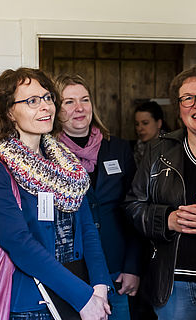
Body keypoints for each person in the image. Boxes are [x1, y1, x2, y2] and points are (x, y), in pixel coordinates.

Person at [0, 67, 113, 320]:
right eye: (32, 101)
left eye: (48, 98)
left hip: (83, 297)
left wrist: (100, 287)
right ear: (9, 111)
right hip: (33, 306)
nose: (45, 107)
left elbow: (87, 228)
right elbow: (20, 244)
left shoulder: (67, 165)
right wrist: (83, 298)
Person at [124, 64, 196, 320]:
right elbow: (133, 206)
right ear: (179, 109)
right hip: (173, 287)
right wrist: (167, 219)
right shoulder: (157, 151)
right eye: (188, 98)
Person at [55, 74, 141, 320]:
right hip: (70, 275)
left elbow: (134, 210)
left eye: (85, 99)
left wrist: (132, 266)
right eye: (69, 102)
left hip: (116, 271)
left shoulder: (118, 148)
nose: (79, 108)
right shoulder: (48, 155)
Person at [133, 101, 168, 166]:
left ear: (159, 123)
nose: (139, 128)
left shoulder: (171, 147)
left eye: (145, 123)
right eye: (137, 124)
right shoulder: (135, 149)